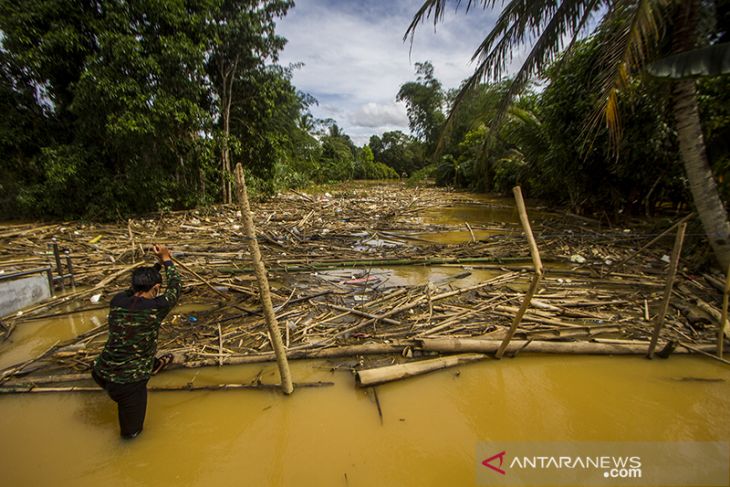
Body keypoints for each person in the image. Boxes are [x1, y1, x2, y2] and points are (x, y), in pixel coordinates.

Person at [92, 244, 182, 439]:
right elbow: (176, 286)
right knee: (131, 436)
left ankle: (155, 364)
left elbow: (135, 288)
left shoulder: (117, 301)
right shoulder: (156, 307)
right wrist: (167, 259)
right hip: (128, 383)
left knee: (140, 350)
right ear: (157, 288)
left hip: (100, 371)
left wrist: (157, 267)